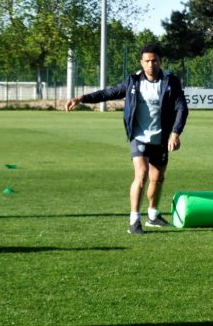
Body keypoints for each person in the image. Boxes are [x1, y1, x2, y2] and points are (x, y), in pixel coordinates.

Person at [65, 43, 189, 235]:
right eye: (147, 61)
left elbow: (182, 107)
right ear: (141, 62)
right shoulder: (133, 81)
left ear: (160, 61)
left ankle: (153, 216)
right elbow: (108, 93)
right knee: (141, 175)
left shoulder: (171, 81)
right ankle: (134, 221)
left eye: (154, 60)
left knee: (157, 178)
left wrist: (175, 132)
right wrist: (81, 98)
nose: (150, 64)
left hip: (161, 137)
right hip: (138, 136)